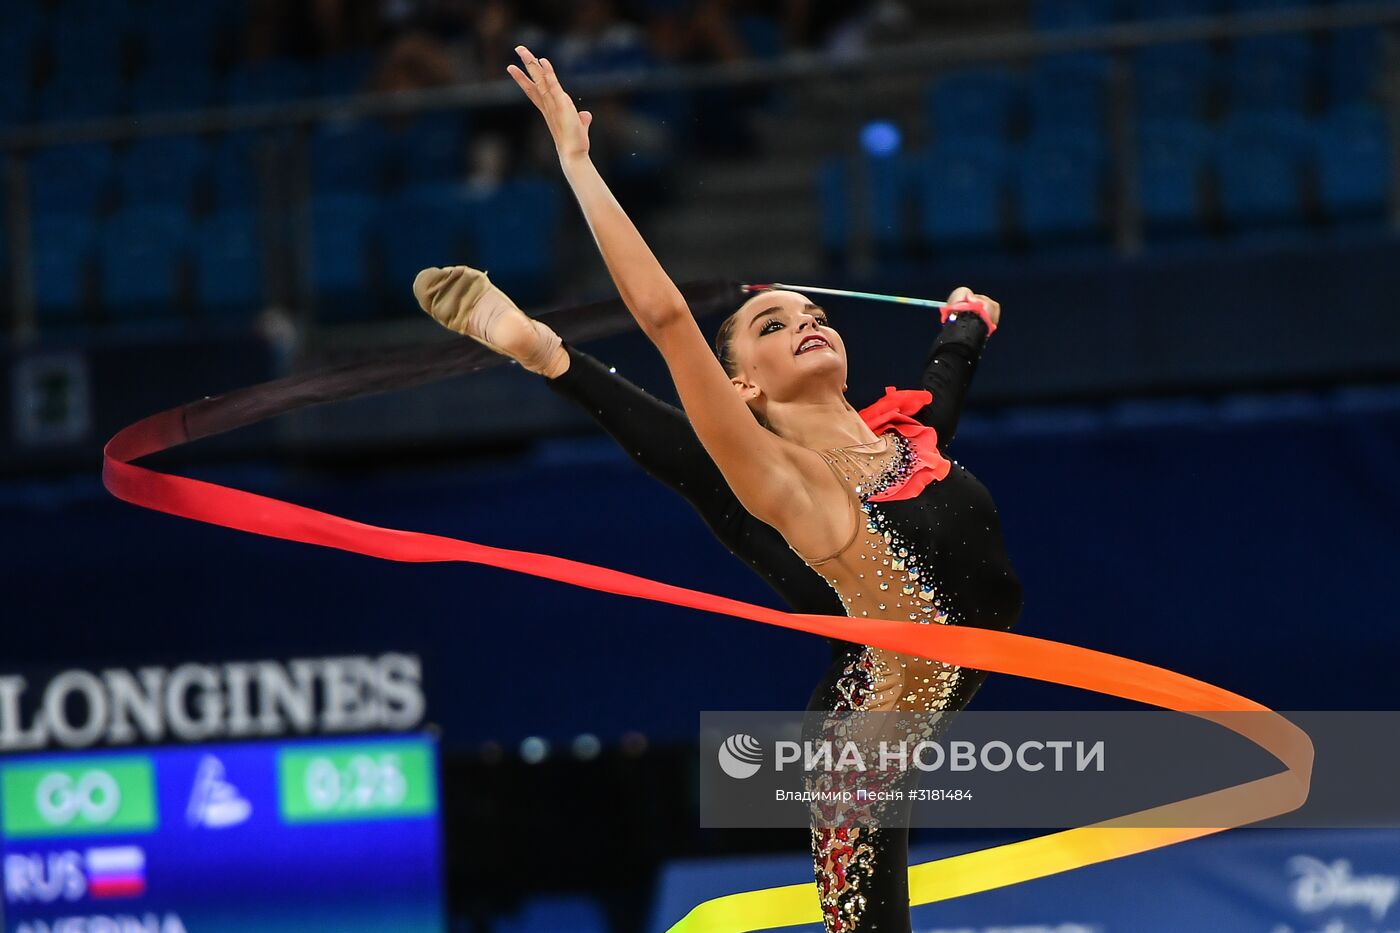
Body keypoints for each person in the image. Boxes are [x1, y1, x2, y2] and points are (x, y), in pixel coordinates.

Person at [415, 45, 1024, 933]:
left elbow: (944, 383)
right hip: (863, 744)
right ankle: (541, 348)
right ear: (744, 382)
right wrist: (581, 165)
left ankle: (542, 350)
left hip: (919, 676)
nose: (807, 321)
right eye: (773, 324)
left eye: (812, 314)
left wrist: (967, 323)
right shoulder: (792, 479)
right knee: (714, 475)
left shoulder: (904, 434)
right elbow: (665, 319)